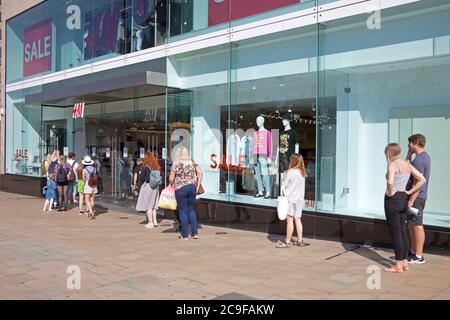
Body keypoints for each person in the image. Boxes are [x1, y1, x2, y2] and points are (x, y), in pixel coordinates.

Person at [383, 143, 425, 273]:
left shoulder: (392, 164)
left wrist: (390, 193)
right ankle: (405, 262)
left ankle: (398, 265)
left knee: (396, 234)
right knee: (403, 231)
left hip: (393, 200)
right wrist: (410, 191)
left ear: (389, 152)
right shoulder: (407, 164)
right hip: (403, 199)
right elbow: (422, 179)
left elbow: (390, 181)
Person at [406, 134, 431, 264]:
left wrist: (410, 200)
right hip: (418, 196)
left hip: (416, 197)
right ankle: (413, 251)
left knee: (417, 225)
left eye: (410, 143)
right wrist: (409, 154)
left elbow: (417, 182)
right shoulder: (423, 157)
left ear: (416, 143)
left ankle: (419, 256)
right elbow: (406, 166)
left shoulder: (419, 160)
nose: (408, 146)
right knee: (412, 224)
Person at [276, 154, 310, 248]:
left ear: (293, 161)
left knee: (290, 219)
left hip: (290, 198)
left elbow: (285, 184)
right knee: (298, 219)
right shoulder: (302, 172)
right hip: (300, 199)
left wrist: (284, 176)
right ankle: (300, 240)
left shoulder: (291, 172)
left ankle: (287, 241)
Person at [169, 147, 203, 240]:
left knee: (183, 211)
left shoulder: (176, 163)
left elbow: (171, 179)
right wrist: (197, 185)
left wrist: (171, 184)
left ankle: (185, 235)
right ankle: (195, 233)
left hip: (180, 188)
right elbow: (200, 173)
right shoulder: (192, 162)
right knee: (191, 210)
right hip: (192, 188)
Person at [136, 152, 161, 229]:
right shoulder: (156, 167)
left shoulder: (145, 167)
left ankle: (150, 223)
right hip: (156, 187)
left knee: (148, 206)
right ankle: (155, 221)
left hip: (148, 187)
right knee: (153, 205)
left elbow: (143, 179)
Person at [82, 156, 97, 220]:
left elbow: (83, 179)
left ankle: (91, 212)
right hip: (94, 185)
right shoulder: (94, 169)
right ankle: (91, 211)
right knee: (92, 199)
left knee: (87, 199)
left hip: (88, 185)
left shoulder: (84, 170)